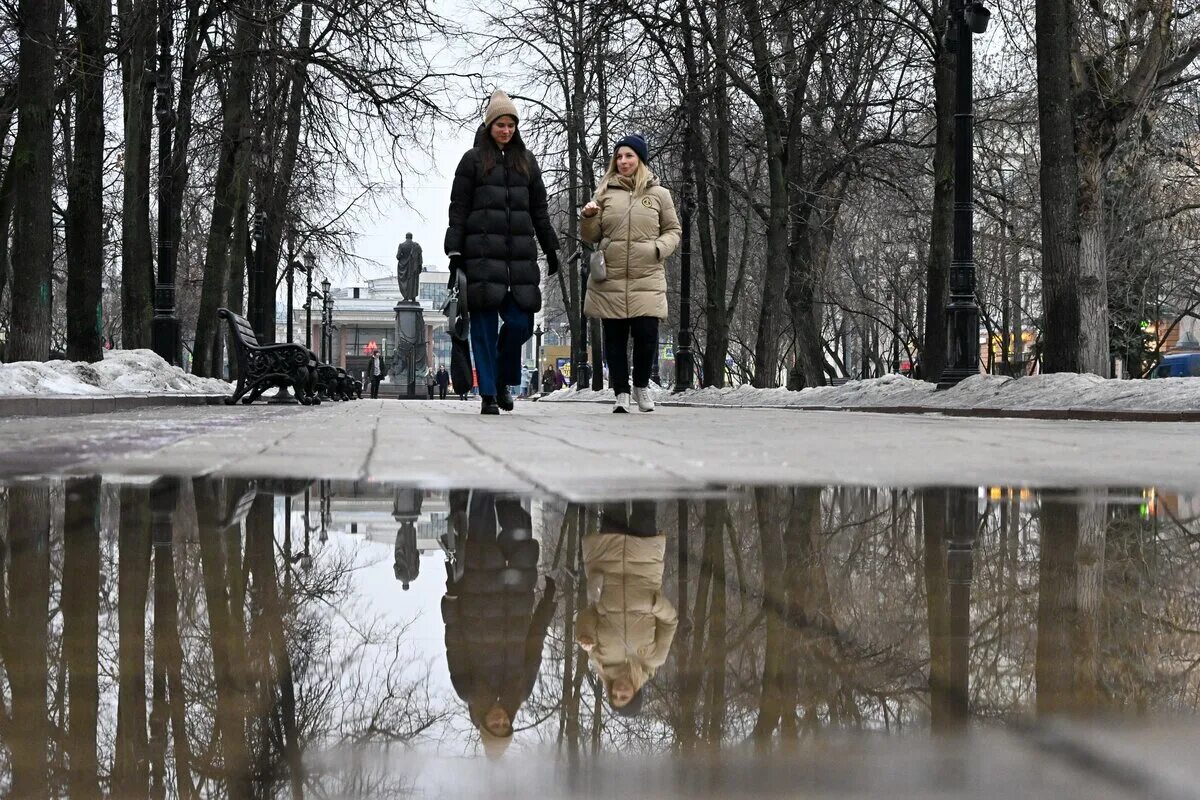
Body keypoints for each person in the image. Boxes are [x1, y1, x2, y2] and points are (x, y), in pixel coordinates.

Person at [445, 89, 560, 415]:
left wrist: (550, 248)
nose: (506, 130)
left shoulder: (527, 161)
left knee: (521, 324)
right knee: (482, 330)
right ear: (490, 125)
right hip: (480, 258)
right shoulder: (472, 161)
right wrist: (454, 252)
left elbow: (540, 210)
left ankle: (503, 376)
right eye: (500, 124)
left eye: (511, 124)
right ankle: (490, 396)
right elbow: (458, 209)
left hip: (519, 261)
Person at [442, 491, 556, 758]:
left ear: (484, 725)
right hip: (516, 582)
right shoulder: (521, 689)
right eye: (506, 725)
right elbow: (535, 639)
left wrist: (452, 597)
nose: (501, 721)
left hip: (479, 577)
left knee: (481, 500)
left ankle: (480, 467)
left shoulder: (467, 689)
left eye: (495, 726)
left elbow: (454, 638)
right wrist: (547, 602)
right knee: (515, 513)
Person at [581, 134, 681, 413]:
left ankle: (640, 386)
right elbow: (592, 236)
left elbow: (673, 230)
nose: (623, 161)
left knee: (647, 332)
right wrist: (588, 218)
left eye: (629, 156)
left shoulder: (659, 194)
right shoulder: (604, 192)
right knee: (614, 337)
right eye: (619, 156)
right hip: (611, 276)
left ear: (640, 160)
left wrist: (658, 249)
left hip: (646, 274)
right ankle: (621, 393)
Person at [576, 500, 677, 717]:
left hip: (607, 561)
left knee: (613, 504)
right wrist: (654, 604)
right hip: (644, 565)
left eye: (615, 697)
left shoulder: (600, 660)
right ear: (636, 693)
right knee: (644, 508)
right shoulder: (654, 659)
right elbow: (670, 621)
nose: (619, 692)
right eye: (625, 697)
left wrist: (584, 635)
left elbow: (590, 615)